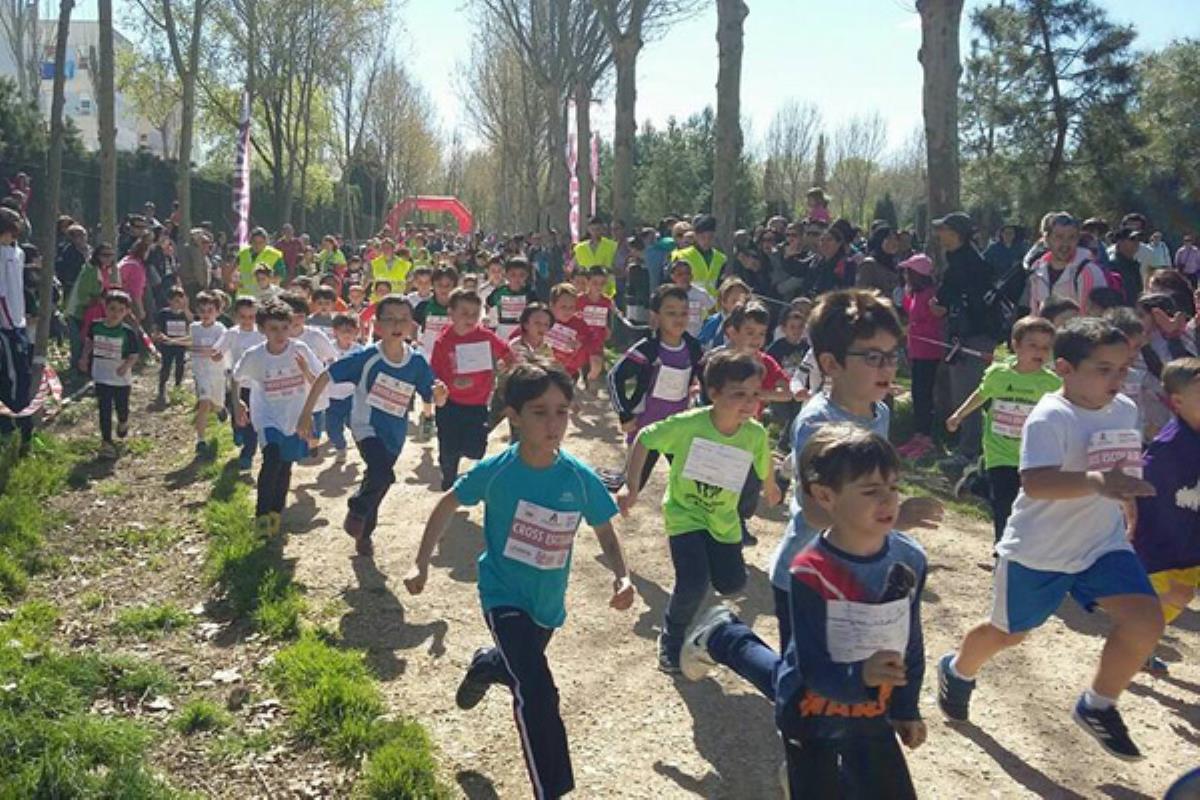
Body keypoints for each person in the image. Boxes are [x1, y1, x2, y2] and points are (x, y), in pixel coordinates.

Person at [402, 360, 635, 800]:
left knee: (516, 664)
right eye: (540, 412)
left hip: (546, 603)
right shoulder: (498, 470)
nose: (553, 423)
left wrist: (622, 576)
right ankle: (552, 789)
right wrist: (421, 562)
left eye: (561, 411)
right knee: (537, 690)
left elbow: (605, 529)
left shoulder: (579, 477)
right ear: (514, 415)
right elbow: (447, 505)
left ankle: (485, 665)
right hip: (502, 594)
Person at [938, 317, 1164, 762]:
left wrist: (1128, 502)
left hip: (1101, 544)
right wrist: (1100, 483)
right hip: (1038, 550)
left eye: (1123, 368)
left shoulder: (1124, 409)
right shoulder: (1049, 416)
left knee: (1146, 621)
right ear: (1064, 367)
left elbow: (1118, 465)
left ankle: (1098, 705)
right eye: (1104, 369)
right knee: (1007, 634)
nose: (1117, 379)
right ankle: (958, 670)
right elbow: (1038, 483)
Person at [679, 425, 927, 800]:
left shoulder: (910, 559)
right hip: (810, 714)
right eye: (871, 491)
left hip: (871, 714)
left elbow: (911, 640)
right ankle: (725, 637)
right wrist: (861, 674)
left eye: (893, 488)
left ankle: (722, 635)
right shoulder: (810, 572)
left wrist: (906, 708)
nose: (888, 501)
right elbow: (809, 666)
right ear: (826, 495)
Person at [769, 289, 942, 652]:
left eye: (892, 355)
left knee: (848, 681)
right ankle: (725, 639)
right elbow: (816, 512)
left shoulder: (880, 413)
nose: (888, 367)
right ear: (831, 364)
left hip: (856, 572)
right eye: (872, 357)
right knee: (802, 683)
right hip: (805, 576)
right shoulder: (818, 424)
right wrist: (893, 519)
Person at [617, 350, 783, 672]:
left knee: (732, 584)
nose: (749, 404)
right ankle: (672, 636)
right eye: (739, 395)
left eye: (755, 395)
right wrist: (631, 486)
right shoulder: (689, 425)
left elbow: (763, 459)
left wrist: (771, 486)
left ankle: (703, 602)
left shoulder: (754, 433)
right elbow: (645, 440)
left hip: (724, 522)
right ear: (714, 392)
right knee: (693, 582)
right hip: (685, 515)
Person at [298, 296, 447, 556]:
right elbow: (326, 376)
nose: (397, 324)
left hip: (395, 434)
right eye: (390, 318)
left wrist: (440, 396)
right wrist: (306, 413)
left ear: (412, 325)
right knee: (381, 475)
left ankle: (364, 534)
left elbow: (432, 395)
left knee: (378, 483)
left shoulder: (417, 362)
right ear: (377, 325)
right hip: (366, 428)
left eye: (403, 318)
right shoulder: (366, 357)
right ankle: (356, 508)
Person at [946, 316, 1061, 544]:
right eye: (1033, 346)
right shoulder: (999, 374)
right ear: (1015, 345)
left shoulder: (1052, 384)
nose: (1040, 352)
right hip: (999, 452)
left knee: (1028, 505)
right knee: (1004, 506)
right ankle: (1002, 551)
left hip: (1032, 456)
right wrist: (959, 414)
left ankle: (978, 483)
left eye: (1046, 348)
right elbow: (981, 394)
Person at [232, 299, 323, 537]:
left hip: (295, 416)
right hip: (267, 416)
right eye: (273, 328)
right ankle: (261, 515)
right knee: (271, 459)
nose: (280, 334)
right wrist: (237, 402)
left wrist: (305, 373)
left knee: (285, 466)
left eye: (285, 327)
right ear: (262, 330)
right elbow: (236, 377)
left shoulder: (300, 350)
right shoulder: (255, 355)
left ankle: (275, 513)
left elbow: (319, 382)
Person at [1132, 357, 1200, 674]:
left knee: (1182, 594)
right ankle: (1132, 643)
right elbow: (1142, 491)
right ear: (1177, 401)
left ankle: (1137, 643)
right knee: (1179, 592)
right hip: (1159, 544)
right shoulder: (1168, 447)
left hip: (1190, 541)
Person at [929, 211, 1003, 475]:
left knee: (968, 395)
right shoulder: (972, 261)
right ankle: (975, 448)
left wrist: (937, 305)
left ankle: (970, 452)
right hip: (974, 336)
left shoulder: (963, 265)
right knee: (972, 393)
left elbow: (941, 305)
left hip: (971, 338)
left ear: (957, 233)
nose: (939, 235)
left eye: (944, 230)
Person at [430, 287, 514, 490]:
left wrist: (506, 363)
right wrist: (450, 384)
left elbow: (507, 352)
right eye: (464, 313)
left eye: (475, 314)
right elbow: (434, 373)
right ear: (451, 313)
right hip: (450, 405)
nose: (470, 318)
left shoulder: (485, 336)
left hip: (477, 403)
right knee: (448, 449)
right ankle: (449, 477)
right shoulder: (443, 342)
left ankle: (460, 452)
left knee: (476, 450)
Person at [80, 290, 142, 459]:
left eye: (120, 310)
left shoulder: (127, 332)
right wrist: (84, 358)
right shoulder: (96, 326)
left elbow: (134, 354)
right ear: (105, 308)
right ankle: (106, 442)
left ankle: (123, 423)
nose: (115, 314)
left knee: (122, 408)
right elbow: (89, 342)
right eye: (112, 309)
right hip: (101, 375)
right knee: (104, 408)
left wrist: (126, 366)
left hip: (121, 379)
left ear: (126, 312)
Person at [896, 254, 943, 460]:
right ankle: (918, 434)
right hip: (916, 349)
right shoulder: (914, 293)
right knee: (917, 393)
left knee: (924, 394)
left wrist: (913, 327)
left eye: (909, 271)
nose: (905, 274)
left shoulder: (930, 295)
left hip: (928, 351)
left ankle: (927, 437)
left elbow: (931, 320)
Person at [213, 297, 265, 470]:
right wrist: (217, 355)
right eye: (243, 316)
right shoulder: (232, 333)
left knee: (253, 421)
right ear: (236, 316)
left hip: (257, 385)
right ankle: (237, 429)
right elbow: (218, 349)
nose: (247, 321)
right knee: (237, 412)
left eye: (251, 317)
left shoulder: (262, 333)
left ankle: (248, 454)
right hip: (236, 382)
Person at [189, 292, 229, 458]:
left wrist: (218, 353)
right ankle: (200, 440)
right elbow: (190, 344)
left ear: (217, 312)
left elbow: (220, 349)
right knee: (204, 403)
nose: (206, 314)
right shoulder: (194, 328)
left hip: (217, 372)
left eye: (210, 310)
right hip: (201, 371)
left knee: (216, 404)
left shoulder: (221, 329)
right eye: (202, 310)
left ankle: (220, 409)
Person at [543, 283, 596, 381]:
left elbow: (592, 339)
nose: (567, 311)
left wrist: (581, 343)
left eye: (571, 307)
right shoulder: (543, 320)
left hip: (569, 372)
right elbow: (524, 333)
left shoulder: (579, 323)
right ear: (552, 306)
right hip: (545, 370)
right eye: (563, 307)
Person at [152, 286, 192, 405]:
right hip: (167, 345)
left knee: (180, 366)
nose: (178, 302)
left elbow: (192, 321)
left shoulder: (185, 314)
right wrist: (156, 337)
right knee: (166, 366)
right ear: (169, 300)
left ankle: (177, 388)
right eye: (176, 300)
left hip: (181, 345)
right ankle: (161, 389)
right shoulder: (164, 313)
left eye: (181, 299)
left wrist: (186, 308)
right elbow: (156, 327)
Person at [673, 214, 726, 299]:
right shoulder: (682, 256)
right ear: (696, 236)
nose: (706, 241)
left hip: (712, 306)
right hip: (689, 304)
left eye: (710, 237)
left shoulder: (721, 258)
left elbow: (720, 284)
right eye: (703, 237)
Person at [486, 256, 539, 340]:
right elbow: (489, 304)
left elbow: (535, 311)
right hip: (503, 330)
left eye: (522, 275)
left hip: (522, 330)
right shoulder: (500, 291)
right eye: (513, 274)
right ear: (506, 275)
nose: (517, 278)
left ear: (527, 275)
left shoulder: (529, 292)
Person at [572, 215, 618, 297]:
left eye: (598, 229)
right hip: (586, 290)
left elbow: (617, 266)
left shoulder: (612, 246)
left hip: (606, 289)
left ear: (603, 230)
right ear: (588, 229)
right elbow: (576, 268)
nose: (596, 232)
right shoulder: (580, 248)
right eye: (593, 229)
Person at [236, 227, 284, 296]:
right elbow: (233, 271)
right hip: (244, 296)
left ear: (266, 242)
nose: (257, 245)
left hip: (265, 295)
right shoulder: (243, 253)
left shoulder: (275, 255)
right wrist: (234, 282)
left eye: (261, 242)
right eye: (254, 242)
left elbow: (280, 276)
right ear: (250, 242)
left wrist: (265, 285)